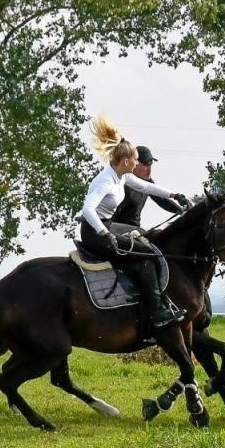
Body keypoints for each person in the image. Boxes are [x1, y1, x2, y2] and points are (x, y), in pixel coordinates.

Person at [79, 116, 193, 332]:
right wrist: (104, 233)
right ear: (126, 162)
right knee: (148, 254)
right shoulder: (106, 181)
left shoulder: (122, 176)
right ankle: (157, 312)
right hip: (95, 232)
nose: (137, 163)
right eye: (135, 160)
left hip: (108, 225)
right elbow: (87, 210)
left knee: (148, 244)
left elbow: (147, 187)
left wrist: (174, 195)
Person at [110, 145, 188, 227]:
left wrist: (182, 210)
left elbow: (161, 199)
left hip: (135, 229)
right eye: (146, 164)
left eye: (151, 164)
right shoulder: (123, 183)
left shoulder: (147, 181)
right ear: (135, 163)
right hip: (115, 228)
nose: (149, 169)